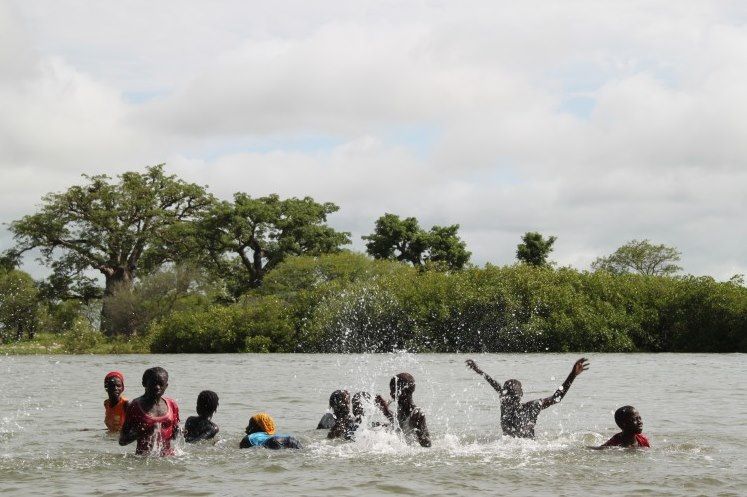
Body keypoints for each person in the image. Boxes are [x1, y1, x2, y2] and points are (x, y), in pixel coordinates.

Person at [466, 357, 589, 439]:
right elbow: (557, 397)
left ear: (504, 394)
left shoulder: (505, 403)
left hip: (509, 445)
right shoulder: (533, 406)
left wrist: (479, 371)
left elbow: (494, 384)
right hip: (529, 446)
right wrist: (572, 375)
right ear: (521, 394)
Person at [119, 367, 180, 456]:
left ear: (166, 386)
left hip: (169, 459)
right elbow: (122, 441)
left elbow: (175, 436)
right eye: (153, 383)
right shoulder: (135, 406)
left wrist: (179, 433)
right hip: (144, 460)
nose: (157, 387)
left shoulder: (172, 405)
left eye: (161, 384)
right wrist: (139, 433)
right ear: (144, 383)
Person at [375, 373, 431, 447]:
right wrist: (385, 410)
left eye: (393, 390)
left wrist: (418, 432)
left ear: (404, 391)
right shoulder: (401, 409)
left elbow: (427, 444)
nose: (391, 394)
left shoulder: (417, 413)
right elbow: (399, 425)